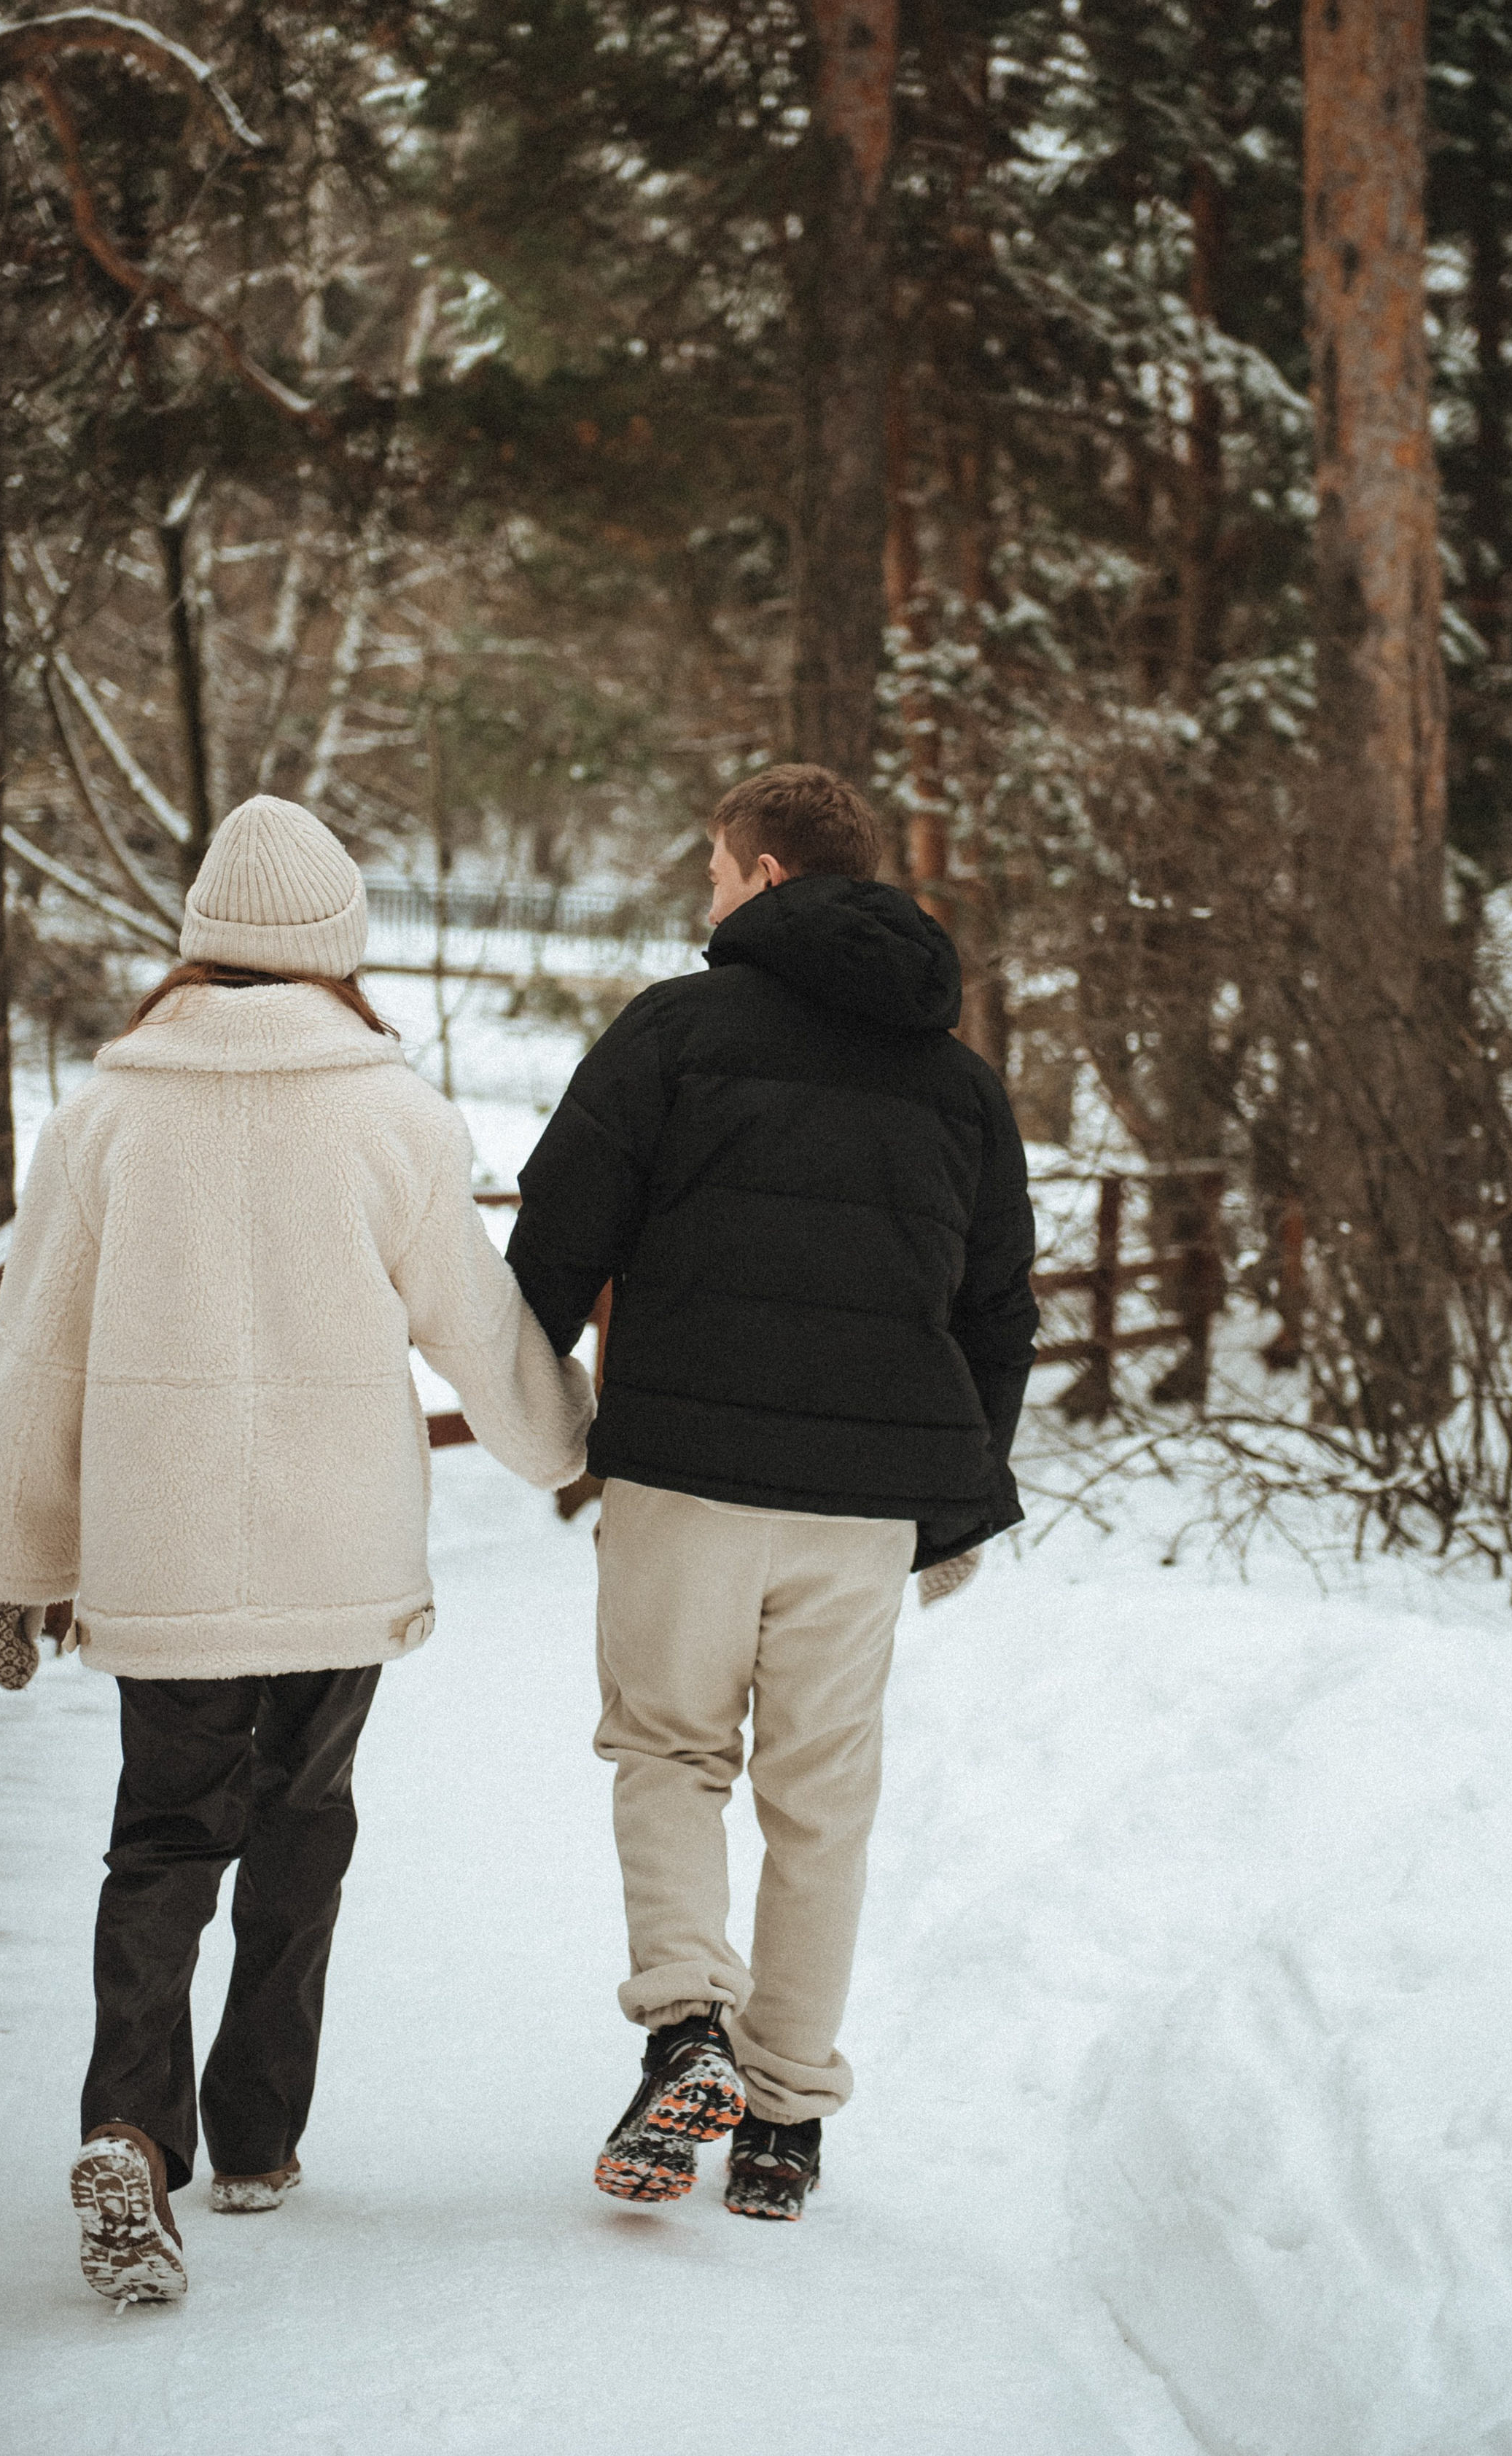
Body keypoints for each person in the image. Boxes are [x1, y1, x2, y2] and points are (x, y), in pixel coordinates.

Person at [0, 795, 593, 2304]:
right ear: (336, 951)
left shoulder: (106, 1113)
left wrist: (11, 1566)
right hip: (335, 1552)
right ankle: (253, 2142)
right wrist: (569, 1446)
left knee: (163, 1842)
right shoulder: (396, 1114)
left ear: (200, 944)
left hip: (159, 1559)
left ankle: (128, 2126)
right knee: (304, 1832)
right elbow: (478, 1332)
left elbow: (34, 1356)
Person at [507, 763, 1037, 2220]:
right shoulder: (958, 1081)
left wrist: (533, 1418)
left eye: (709, 866)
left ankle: (688, 2028)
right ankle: (786, 2116)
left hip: (685, 1477)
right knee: (821, 1803)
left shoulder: (675, 1032)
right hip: (863, 1506)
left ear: (753, 872)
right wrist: (953, 1502)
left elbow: (555, 1241)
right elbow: (996, 1310)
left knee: (671, 1752)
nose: (701, 893)